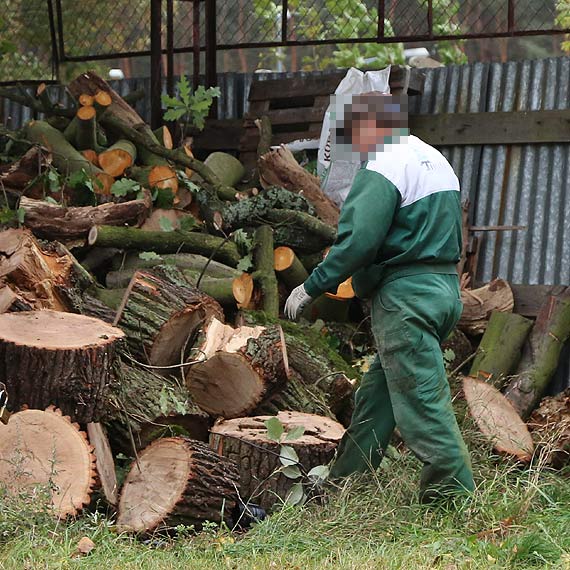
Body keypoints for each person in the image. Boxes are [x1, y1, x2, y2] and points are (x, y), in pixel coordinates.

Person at [284, 93, 474, 502]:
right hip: (442, 289)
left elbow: (359, 241)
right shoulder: (432, 158)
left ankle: (454, 500)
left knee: (422, 405)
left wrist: (311, 286)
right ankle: (344, 488)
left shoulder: (385, 162)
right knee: (378, 398)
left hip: (405, 299)